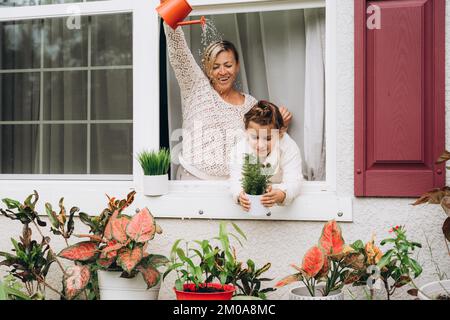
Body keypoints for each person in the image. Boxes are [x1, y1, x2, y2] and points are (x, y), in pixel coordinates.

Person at [164, 24, 292, 180]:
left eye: (228, 65)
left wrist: (280, 126)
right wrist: (170, 20)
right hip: (191, 180)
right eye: (215, 66)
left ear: (237, 66)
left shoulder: (250, 104)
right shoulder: (196, 87)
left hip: (231, 186)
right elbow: (179, 54)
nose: (222, 72)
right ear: (207, 68)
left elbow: (261, 146)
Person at [229, 101, 303, 211]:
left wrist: (282, 194)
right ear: (246, 132)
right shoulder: (240, 149)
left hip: (279, 204)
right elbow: (235, 179)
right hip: (253, 204)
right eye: (255, 137)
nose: (261, 145)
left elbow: (294, 181)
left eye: (268, 138)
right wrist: (240, 195)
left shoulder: (288, 147)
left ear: (280, 133)